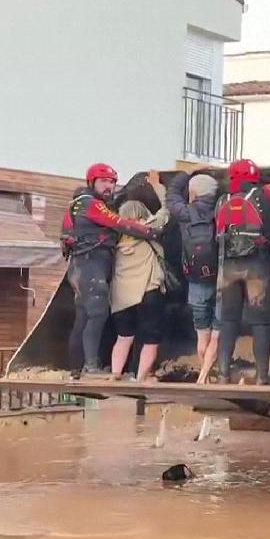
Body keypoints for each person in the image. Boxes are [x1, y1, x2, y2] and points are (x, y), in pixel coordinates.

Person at [61, 163, 156, 375]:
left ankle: (76, 368)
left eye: (112, 182)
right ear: (91, 182)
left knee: (84, 316)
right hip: (90, 266)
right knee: (97, 314)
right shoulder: (90, 204)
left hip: (80, 267)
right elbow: (118, 223)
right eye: (104, 181)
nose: (109, 187)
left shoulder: (77, 204)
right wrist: (149, 231)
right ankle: (91, 366)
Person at [215, 152, 270, 385]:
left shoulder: (222, 201)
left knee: (229, 321)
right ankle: (261, 376)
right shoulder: (265, 195)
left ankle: (223, 374)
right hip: (257, 266)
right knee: (260, 322)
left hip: (229, 267)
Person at [109, 188, 170, 382]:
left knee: (123, 337)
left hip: (121, 296)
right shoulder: (147, 228)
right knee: (151, 340)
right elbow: (166, 212)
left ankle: (115, 375)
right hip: (148, 291)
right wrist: (160, 189)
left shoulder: (115, 237)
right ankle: (141, 378)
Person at [166, 172, 221, 384]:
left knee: (202, 334)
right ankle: (205, 376)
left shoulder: (185, 213)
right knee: (217, 334)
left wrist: (186, 174)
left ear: (194, 192)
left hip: (196, 280)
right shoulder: (220, 210)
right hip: (220, 278)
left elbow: (171, 195)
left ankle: (203, 379)